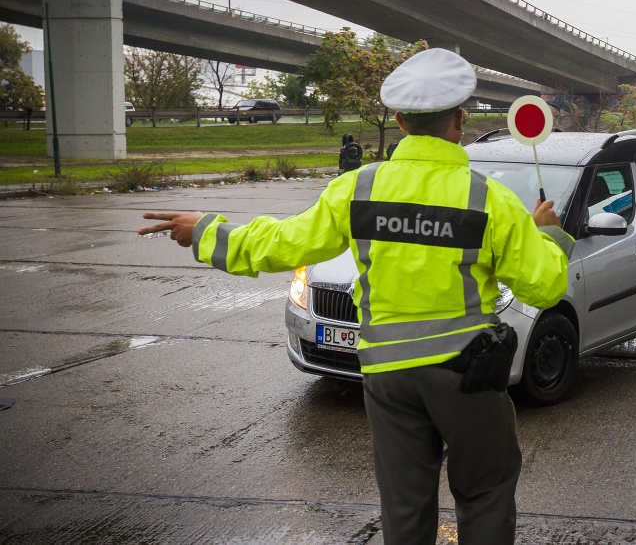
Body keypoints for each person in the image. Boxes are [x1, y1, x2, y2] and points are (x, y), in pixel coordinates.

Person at [138, 48, 573, 544]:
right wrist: (548, 235)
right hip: (465, 372)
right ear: (460, 120)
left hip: (387, 375)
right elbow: (546, 285)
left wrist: (206, 233)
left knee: (405, 510)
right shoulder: (490, 199)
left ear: (400, 119)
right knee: (486, 491)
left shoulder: (359, 188)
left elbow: (283, 242)